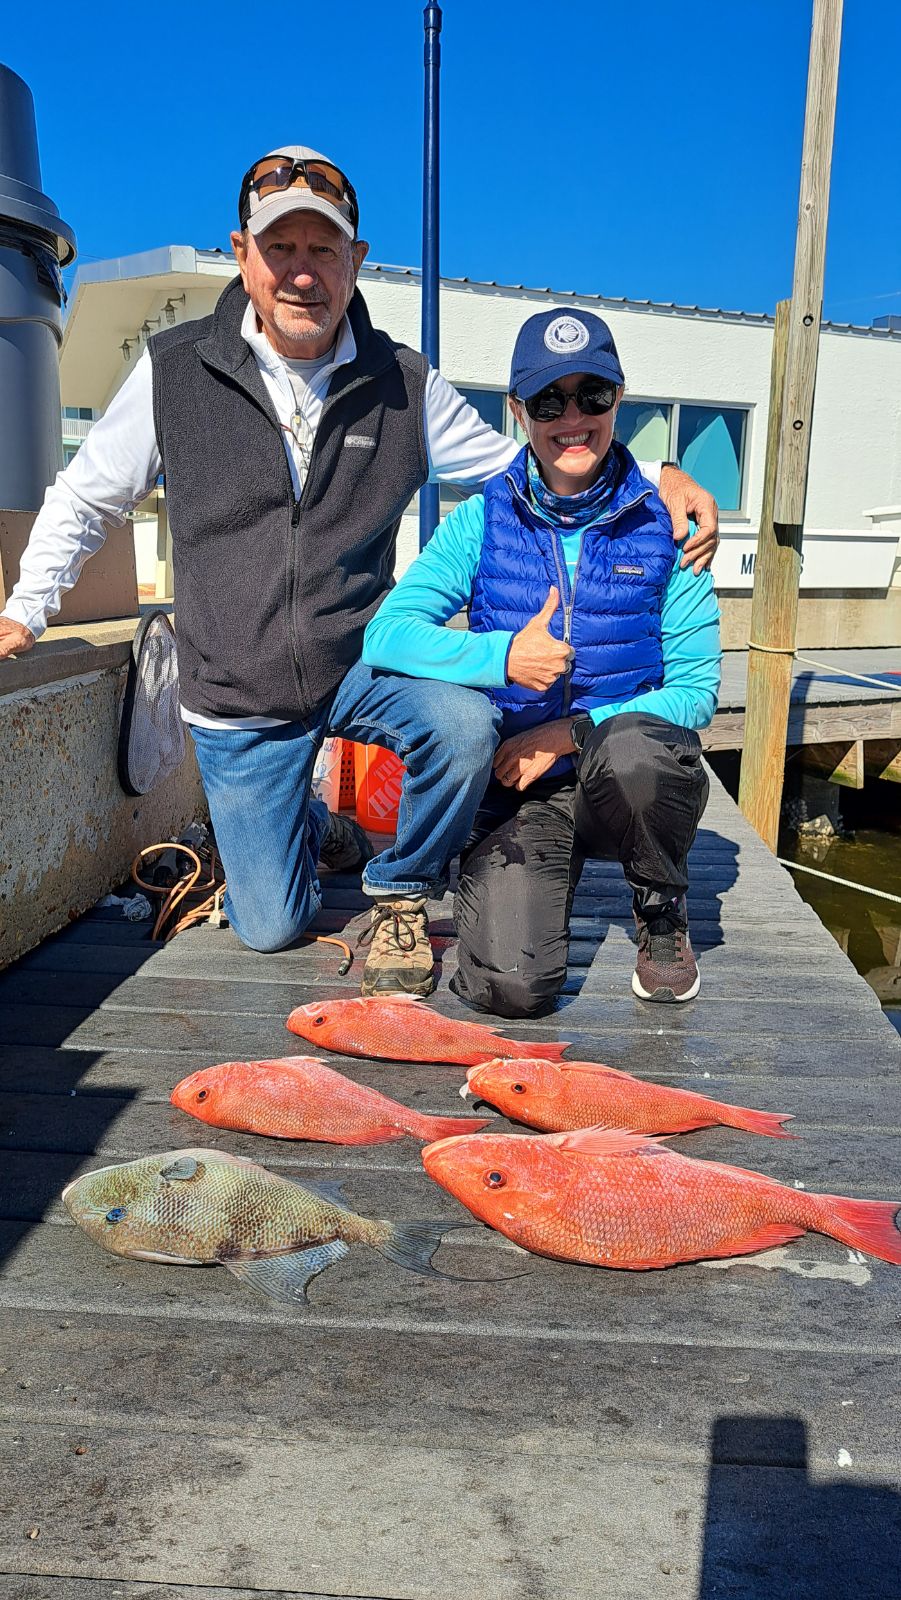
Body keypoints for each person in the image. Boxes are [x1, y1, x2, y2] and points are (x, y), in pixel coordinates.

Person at [0, 146, 718, 1000]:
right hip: (238, 692)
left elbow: (534, 461)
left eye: (323, 249)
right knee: (270, 927)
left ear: (356, 260)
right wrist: (26, 610)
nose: (302, 273)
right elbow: (86, 497)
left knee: (462, 725)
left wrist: (658, 477)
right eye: (280, 248)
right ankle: (318, 828)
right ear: (242, 254)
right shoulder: (173, 370)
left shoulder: (405, 382)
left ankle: (399, 888)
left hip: (359, 668)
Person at [363, 308, 721, 1012]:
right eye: (549, 400)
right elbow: (387, 635)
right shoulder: (478, 519)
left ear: (619, 399)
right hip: (521, 789)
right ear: (517, 410)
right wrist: (502, 656)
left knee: (638, 752)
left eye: (592, 395)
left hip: (619, 779)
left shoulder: (672, 525)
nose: (572, 417)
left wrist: (568, 733)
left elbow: (696, 692)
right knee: (509, 990)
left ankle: (660, 909)